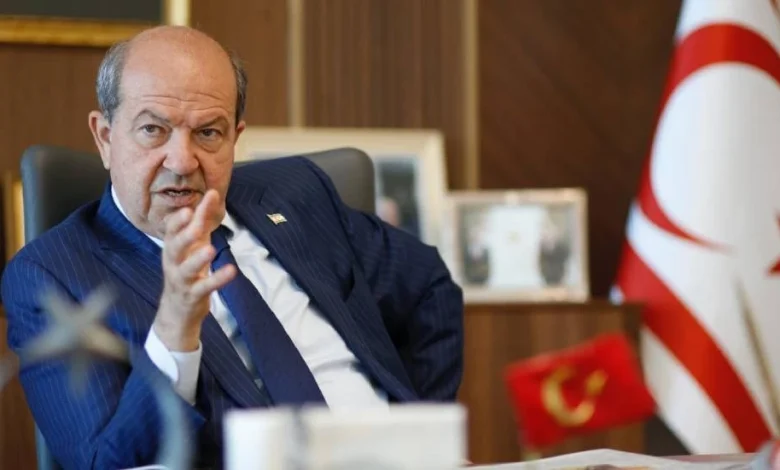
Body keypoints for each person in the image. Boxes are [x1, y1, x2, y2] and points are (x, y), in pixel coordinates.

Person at [0, 26, 464, 470]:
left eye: (208, 133)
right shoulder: (51, 278)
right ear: (105, 137)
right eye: (153, 130)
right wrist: (175, 328)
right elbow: (105, 463)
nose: (182, 161)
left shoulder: (295, 194)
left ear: (235, 138)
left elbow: (430, 288)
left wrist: (415, 437)